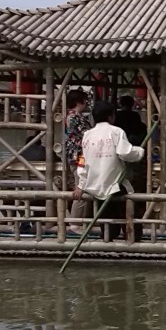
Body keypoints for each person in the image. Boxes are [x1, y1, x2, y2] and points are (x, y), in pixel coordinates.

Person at [73, 100, 145, 240]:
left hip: (95, 185)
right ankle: (132, 240)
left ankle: (108, 239)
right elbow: (125, 153)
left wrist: (81, 185)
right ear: (112, 116)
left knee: (107, 222)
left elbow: (82, 161)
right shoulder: (116, 132)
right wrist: (139, 151)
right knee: (129, 215)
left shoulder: (87, 135)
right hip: (115, 185)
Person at [64, 90, 91, 230]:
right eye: (85, 101)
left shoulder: (76, 116)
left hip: (80, 156)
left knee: (82, 186)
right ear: (79, 101)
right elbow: (86, 134)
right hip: (79, 157)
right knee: (81, 187)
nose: (86, 103)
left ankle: (79, 221)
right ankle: (75, 224)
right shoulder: (74, 117)